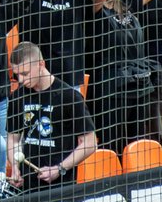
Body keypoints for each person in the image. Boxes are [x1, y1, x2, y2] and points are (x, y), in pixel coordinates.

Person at [6, 43, 97, 186]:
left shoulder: (69, 96)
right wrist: (15, 167)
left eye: (25, 73)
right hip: (28, 186)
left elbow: (90, 144)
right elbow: (13, 139)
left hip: (60, 187)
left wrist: (60, 168)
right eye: (17, 75)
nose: (21, 80)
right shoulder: (17, 97)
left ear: (41, 65)